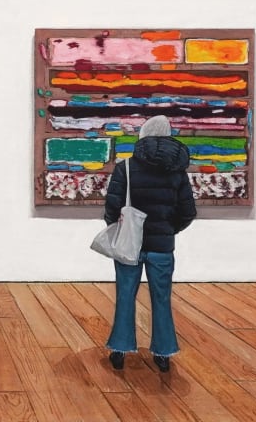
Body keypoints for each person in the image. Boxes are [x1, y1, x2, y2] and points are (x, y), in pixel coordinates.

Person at [103, 115, 196, 373]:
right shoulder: (178, 171)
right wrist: (168, 230)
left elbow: (112, 208)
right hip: (162, 248)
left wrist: (122, 228)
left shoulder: (127, 168)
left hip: (129, 245)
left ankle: (120, 350)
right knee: (162, 299)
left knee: (125, 297)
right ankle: (164, 354)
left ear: (142, 135)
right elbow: (188, 212)